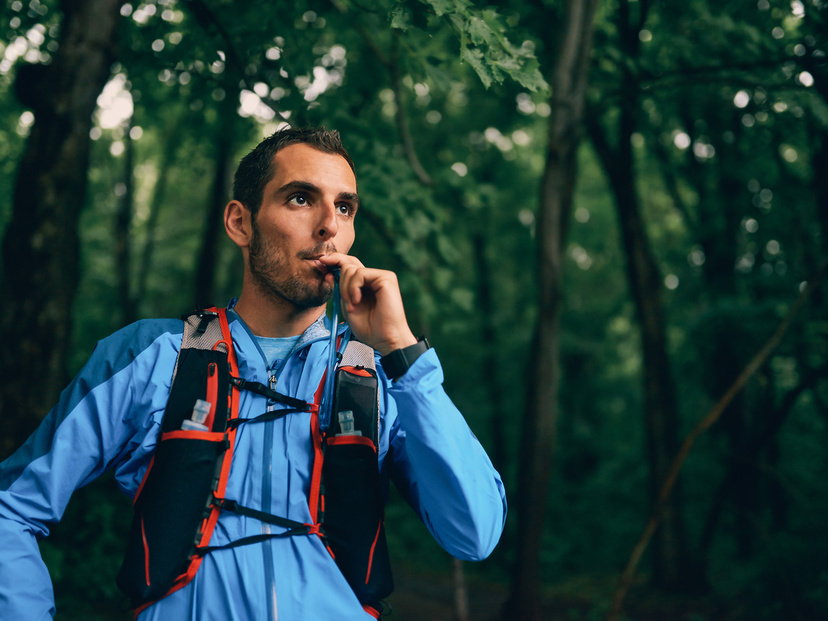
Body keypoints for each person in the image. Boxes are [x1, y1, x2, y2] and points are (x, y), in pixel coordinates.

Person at [0, 127, 507, 620]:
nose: (330, 225)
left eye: (345, 207)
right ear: (241, 223)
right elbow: (12, 510)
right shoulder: (152, 355)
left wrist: (401, 352)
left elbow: (474, 533)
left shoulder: (381, 377)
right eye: (301, 199)